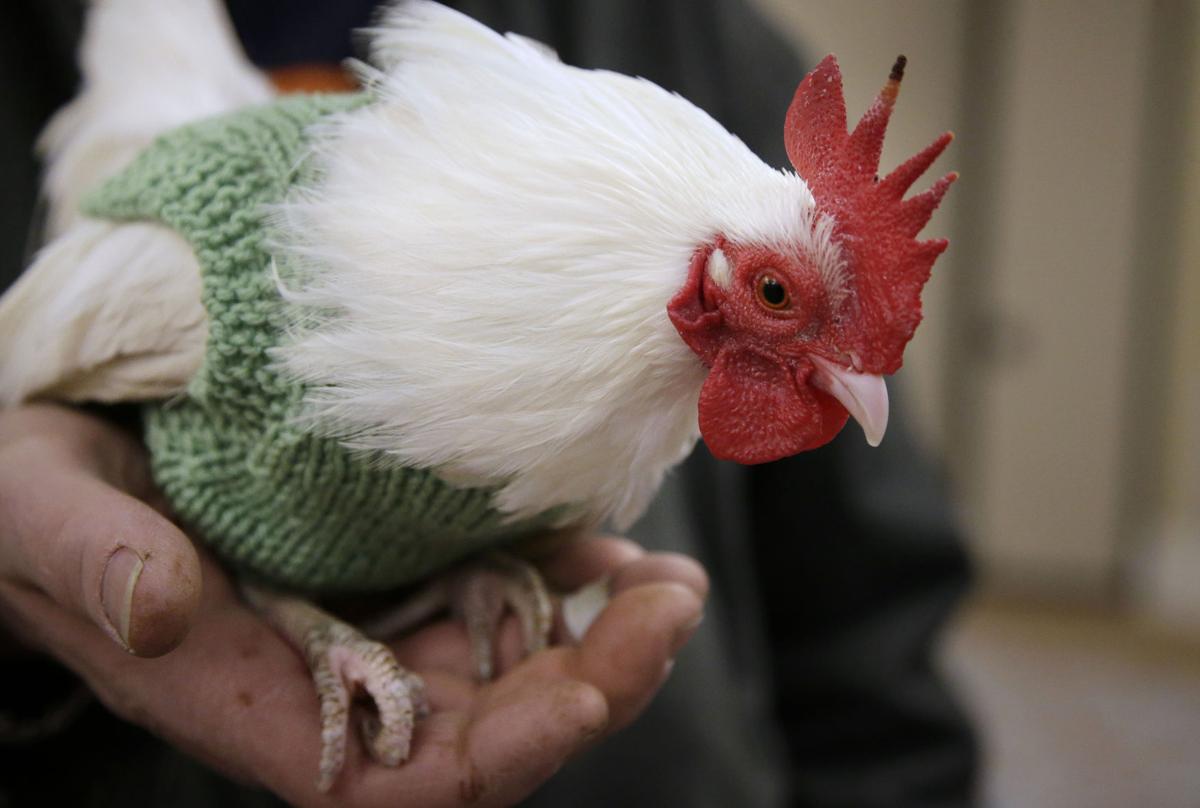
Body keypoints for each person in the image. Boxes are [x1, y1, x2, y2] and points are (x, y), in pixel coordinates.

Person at [0, 2, 978, 806]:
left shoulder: (703, 42)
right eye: (775, 297)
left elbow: (872, 639)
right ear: (705, 276)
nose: (854, 377)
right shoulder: (233, 269)